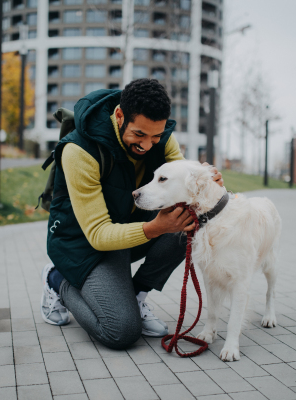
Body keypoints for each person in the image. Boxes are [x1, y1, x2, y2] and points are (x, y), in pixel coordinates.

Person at [40, 79, 223, 349]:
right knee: (121, 331)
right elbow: (99, 235)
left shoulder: (161, 138)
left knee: (189, 221)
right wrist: (156, 228)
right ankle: (56, 280)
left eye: (155, 137)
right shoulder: (79, 151)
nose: (147, 145)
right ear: (119, 116)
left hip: (128, 228)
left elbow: (184, 182)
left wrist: (206, 180)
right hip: (83, 245)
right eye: (139, 135)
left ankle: (135, 295)